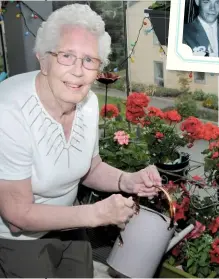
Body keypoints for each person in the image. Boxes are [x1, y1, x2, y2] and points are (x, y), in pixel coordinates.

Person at [0, 4, 162, 278]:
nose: (78, 70)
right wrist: (96, 214)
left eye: (89, 60)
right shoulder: (8, 111)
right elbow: (18, 216)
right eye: (66, 56)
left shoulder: (88, 102)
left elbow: (90, 167)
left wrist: (128, 180)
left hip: (70, 224)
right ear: (43, 59)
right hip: (17, 241)